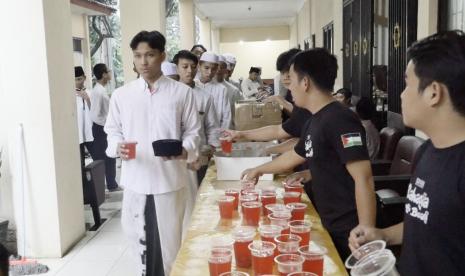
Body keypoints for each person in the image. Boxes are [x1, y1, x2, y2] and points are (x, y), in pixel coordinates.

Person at [241, 48, 376, 260]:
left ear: (305, 83)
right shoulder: (315, 119)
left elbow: (363, 177)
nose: (290, 87)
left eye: (292, 79)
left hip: (348, 224)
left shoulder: (341, 119)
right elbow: (297, 154)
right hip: (328, 216)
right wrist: (259, 169)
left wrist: (366, 228)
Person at [349, 31, 465, 276]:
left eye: (407, 84)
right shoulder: (426, 151)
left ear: (433, 92)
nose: (401, 94)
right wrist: (383, 235)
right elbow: (424, 222)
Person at [105, 30, 201, 276]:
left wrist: (184, 150)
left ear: (162, 56)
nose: (143, 62)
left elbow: (193, 133)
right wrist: (118, 146)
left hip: (169, 179)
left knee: (169, 245)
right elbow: (112, 130)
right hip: (135, 179)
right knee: (138, 244)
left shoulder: (182, 93)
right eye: (138, 56)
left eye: (149, 55)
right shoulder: (122, 95)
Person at [224, 48, 310, 156]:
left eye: (289, 75)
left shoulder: (321, 112)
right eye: (283, 73)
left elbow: (300, 142)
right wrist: (243, 135)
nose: (285, 78)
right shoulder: (245, 82)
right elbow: (282, 131)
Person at [173, 50, 219, 234]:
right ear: (176, 68)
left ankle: (199, 234)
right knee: (177, 202)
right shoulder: (169, 94)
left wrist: (212, 150)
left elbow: (212, 127)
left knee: (200, 200)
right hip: (173, 158)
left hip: (198, 156)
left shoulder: (204, 96)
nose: (189, 71)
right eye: (184, 67)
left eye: (193, 67)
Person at [90, 63, 120, 191]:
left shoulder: (100, 90)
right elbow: (95, 115)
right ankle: (110, 185)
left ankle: (111, 184)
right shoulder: (99, 92)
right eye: (108, 71)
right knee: (106, 157)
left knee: (109, 157)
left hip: (102, 127)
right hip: (100, 128)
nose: (110, 73)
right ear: (103, 74)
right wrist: (107, 126)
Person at [195, 52, 232, 129]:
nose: (210, 72)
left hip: (215, 134)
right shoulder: (191, 86)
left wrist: (221, 136)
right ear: (199, 66)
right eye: (206, 68)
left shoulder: (221, 89)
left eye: (214, 69)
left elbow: (226, 117)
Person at [74, 66, 95, 184]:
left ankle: (100, 186)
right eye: (76, 79)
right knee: (80, 164)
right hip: (78, 135)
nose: (78, 82)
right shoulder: (69, 95)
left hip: (90, 133)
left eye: (80, 78)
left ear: (85, 78)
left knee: (97, 159)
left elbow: (95, 112)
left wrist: (86, 98)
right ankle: (84, 190)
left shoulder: (90, 93)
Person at [216, 55, 241, 124]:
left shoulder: (234, 89)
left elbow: (238, 111)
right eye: (217, 66)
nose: (219, 70)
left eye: (222, 67)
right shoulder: (203, 86)